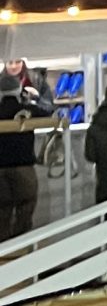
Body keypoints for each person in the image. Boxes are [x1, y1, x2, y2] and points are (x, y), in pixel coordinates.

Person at [0, 93, 39, 240]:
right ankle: (21, 242)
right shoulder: (27, 110)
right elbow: (48, 111)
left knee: (3, 210)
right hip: (23, 167)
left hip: (0, 167)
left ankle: (4, 246)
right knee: (26, 205)